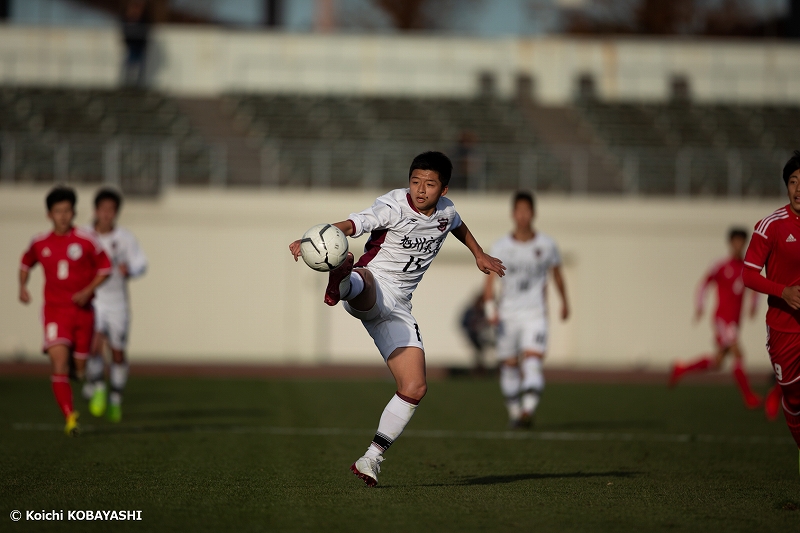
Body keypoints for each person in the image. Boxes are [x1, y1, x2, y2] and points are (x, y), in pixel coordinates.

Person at [288, 151, 505, 487]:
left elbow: (457, 226)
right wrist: (317, 238)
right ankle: (342, 279)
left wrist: (479, 254)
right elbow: (354, 224)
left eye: (429, 184)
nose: (420, 189)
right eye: (415, 181)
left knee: (415, 387)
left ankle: (370, 458)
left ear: (443, 190)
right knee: (365, 282)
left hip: (400, 308)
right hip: (373, 283)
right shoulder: (393, 206)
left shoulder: (446, 212)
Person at [18, 186, 111, 436]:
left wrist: (87, 290)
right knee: (58, 363)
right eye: (58, 211)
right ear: (49, 214)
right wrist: (22, 286)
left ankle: (91, 381)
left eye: (67, 211)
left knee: (78, 370)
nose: (63, 216)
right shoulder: (40, 242)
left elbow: (105, 268)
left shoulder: (86, 240)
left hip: (83, 313)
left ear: (74, 212)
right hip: (55, 312)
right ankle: (70, 417)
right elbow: (26, 262)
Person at [482, 191, 569, 428]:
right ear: (513, 214)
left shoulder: (547, 245)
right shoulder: (501, 245)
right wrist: (491, 310)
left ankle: (527, 410)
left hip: (535, 314)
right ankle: (514, 411)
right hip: (507, 317)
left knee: (532, 362)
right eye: (518, 211)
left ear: (533, 213)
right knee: (509, 366)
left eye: (527, 211)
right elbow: (489, 283)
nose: (522, 216)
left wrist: (564, 302)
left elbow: (557, 275)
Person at [742, 150, 800, 472]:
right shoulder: (770, 226)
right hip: (783, 329)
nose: (799, 188)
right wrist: (783, 292)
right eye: (793, 181)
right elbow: (748, 274)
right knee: (792, 398)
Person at [669, 229, 762, 409]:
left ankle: (681, 369)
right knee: (738, 352)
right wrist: (700, 306)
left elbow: (756, 287)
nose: (738, 245)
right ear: (730, 243)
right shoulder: (720, 265)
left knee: (717, 362)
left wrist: (754, 306)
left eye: (741, 242)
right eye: (735, 241)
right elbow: (704, 284)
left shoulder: (747, 268)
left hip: (735, 321)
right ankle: (748, 396)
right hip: (722, 318)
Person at [82, 188, 148, 423]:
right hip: (94, 300)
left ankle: (116, 398)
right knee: (92, 344)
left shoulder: (125, 238)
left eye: (111, 210)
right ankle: (99, 385)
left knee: (117, 353)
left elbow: (142, 263)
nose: (107, 214)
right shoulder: (85, 236)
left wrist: (129, 270)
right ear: (96, 211)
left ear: (116, 212)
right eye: (103, 209)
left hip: (118, 303)